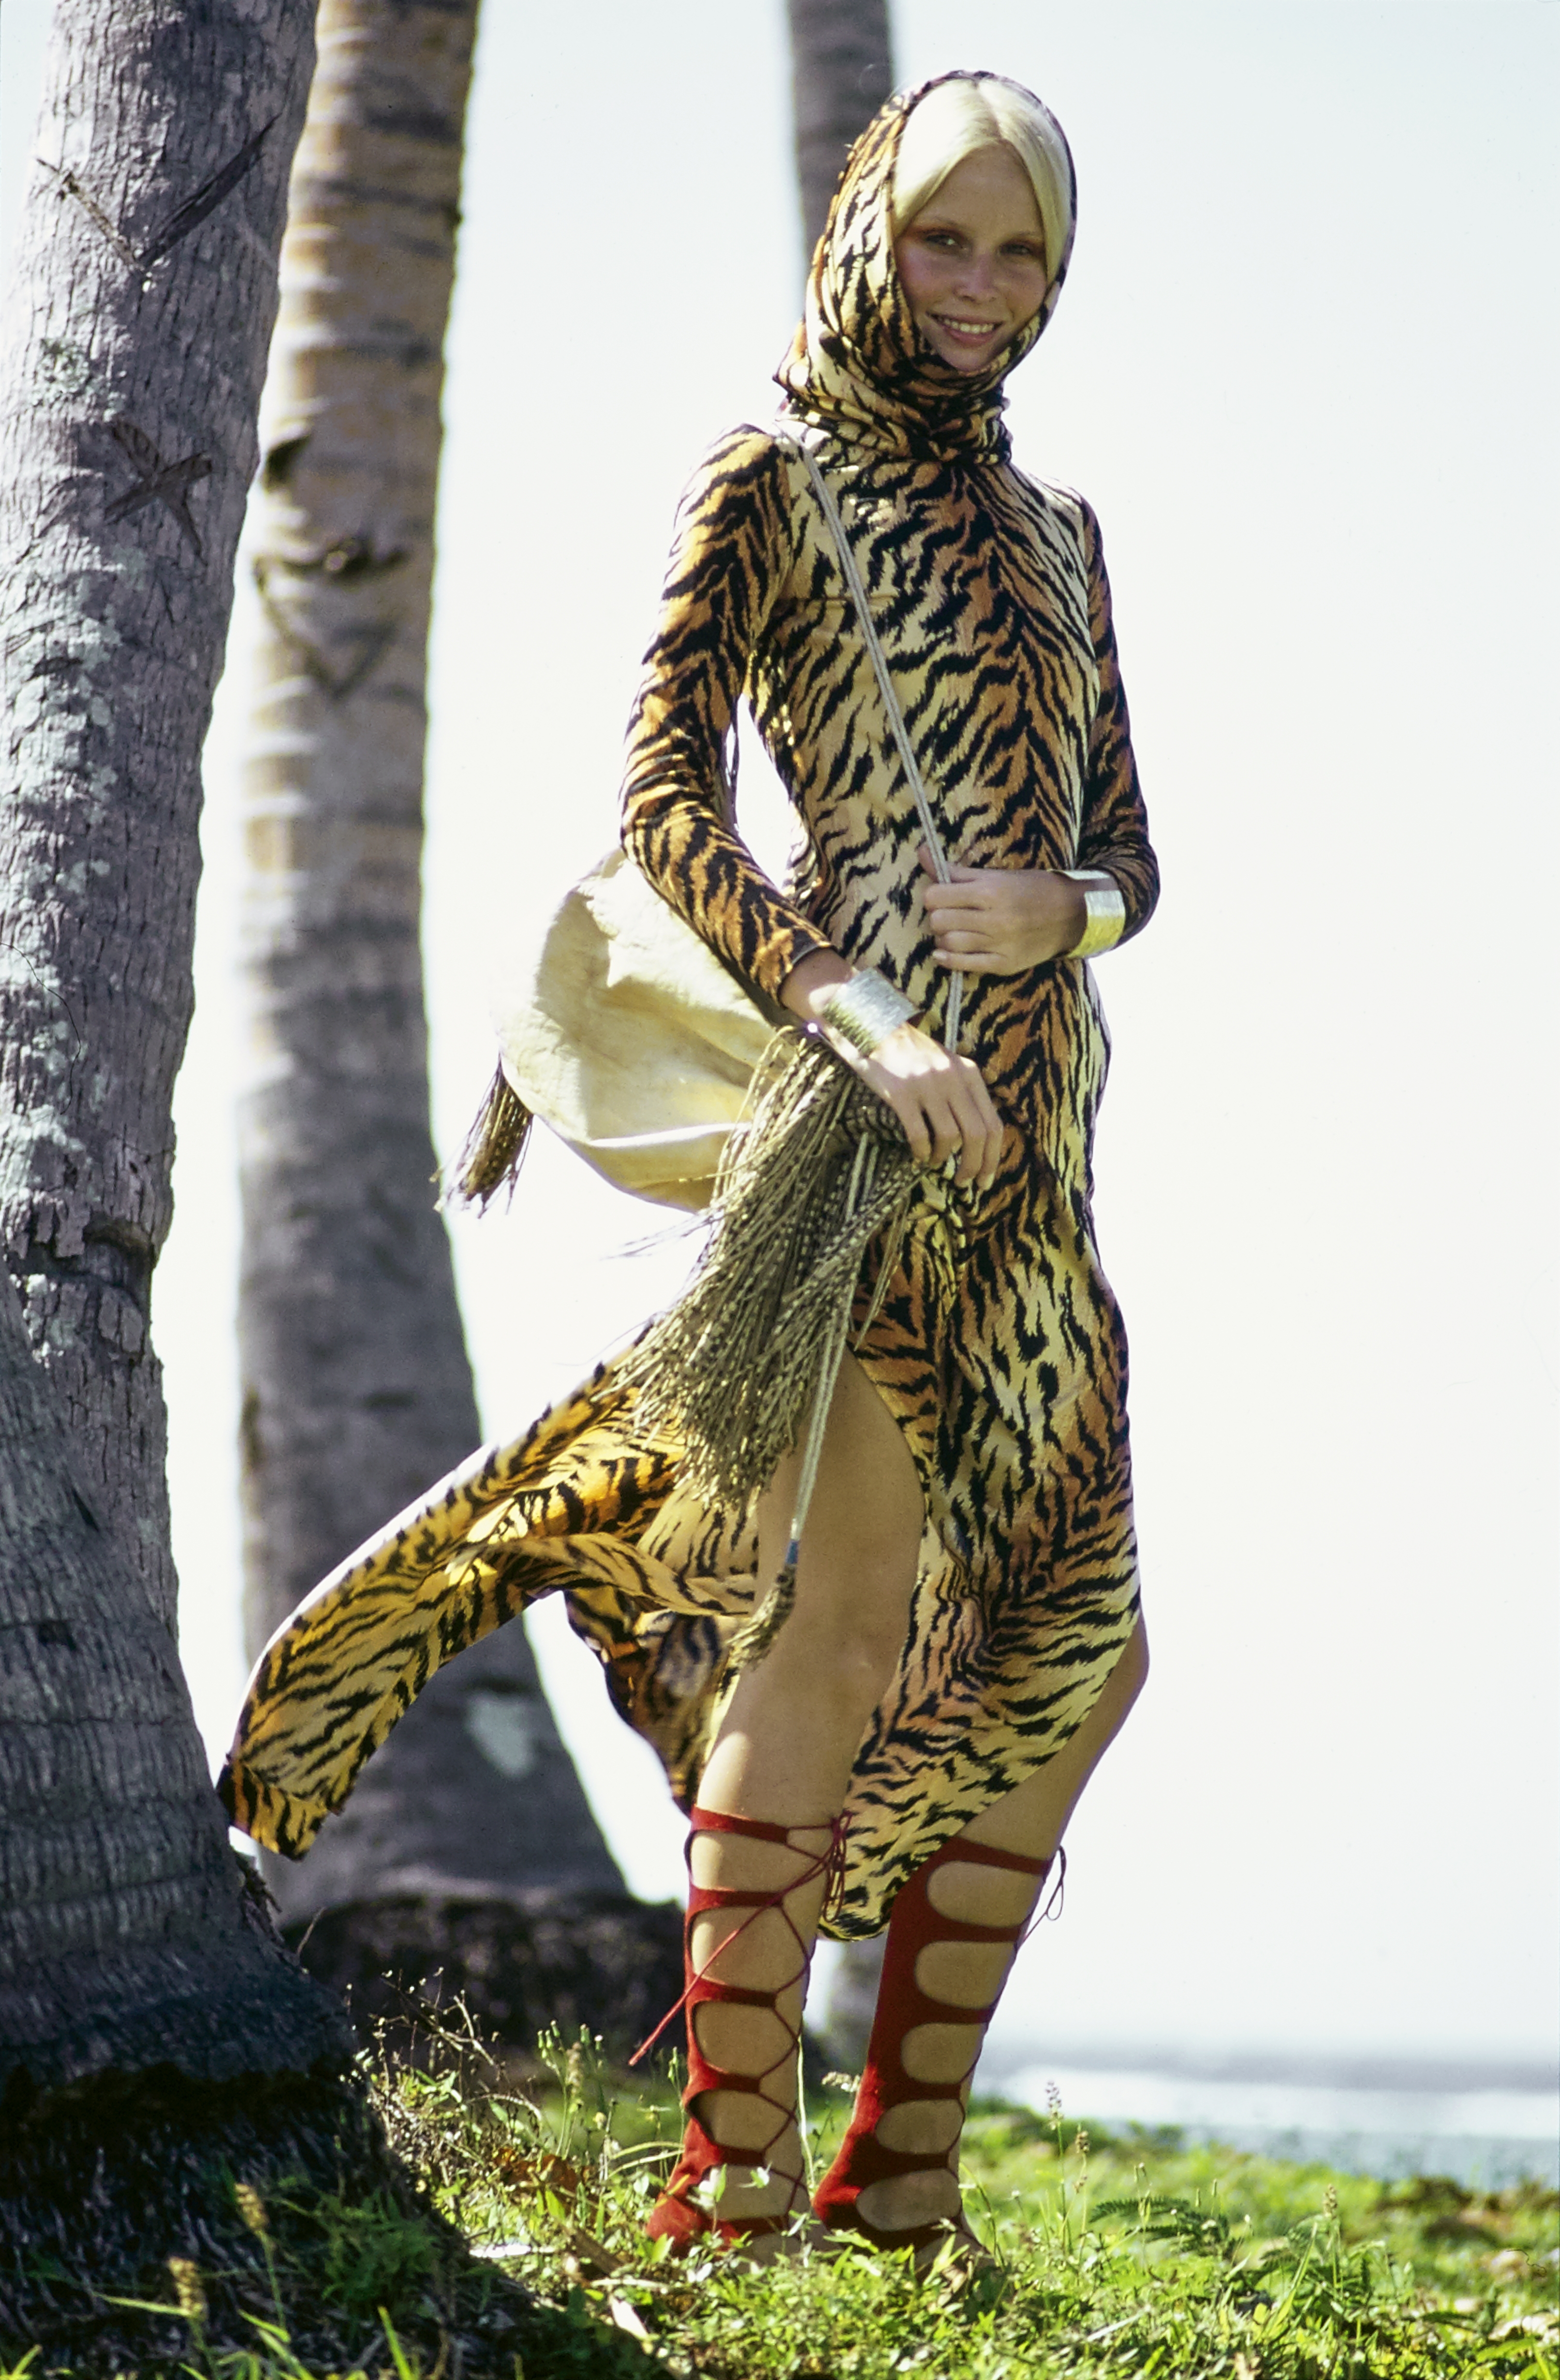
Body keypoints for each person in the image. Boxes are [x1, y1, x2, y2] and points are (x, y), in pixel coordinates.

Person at [222, 69, 1158, 2265]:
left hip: (1042, 1149)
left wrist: (1070, 918)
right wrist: (876, 1012)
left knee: (1088, 1647)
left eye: (1021, 255)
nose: (981, 291)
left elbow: (1135, 848)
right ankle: (735, 2181)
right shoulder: (775, 479)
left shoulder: (1061, 538)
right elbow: (667, 807)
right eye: (947, 239)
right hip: (857, 1132)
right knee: (830, 1635)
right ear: (868, 234)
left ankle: (896, 2172)